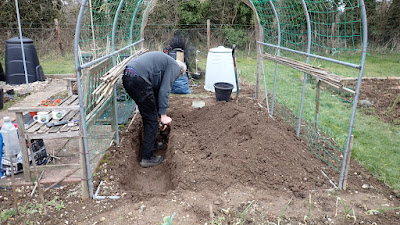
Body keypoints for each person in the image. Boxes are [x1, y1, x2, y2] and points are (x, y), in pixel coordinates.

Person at [122, 51, 187, 168]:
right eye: (178, 77)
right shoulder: (175, 67)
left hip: (129, 76)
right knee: (151, 119)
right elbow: (164, 91)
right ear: (181, 72)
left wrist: (160, 114)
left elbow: (156, 94)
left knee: (149, 115)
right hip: (138, 78)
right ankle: (147, 157)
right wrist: (163, 116)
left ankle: (151, 144)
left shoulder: (164, 64)